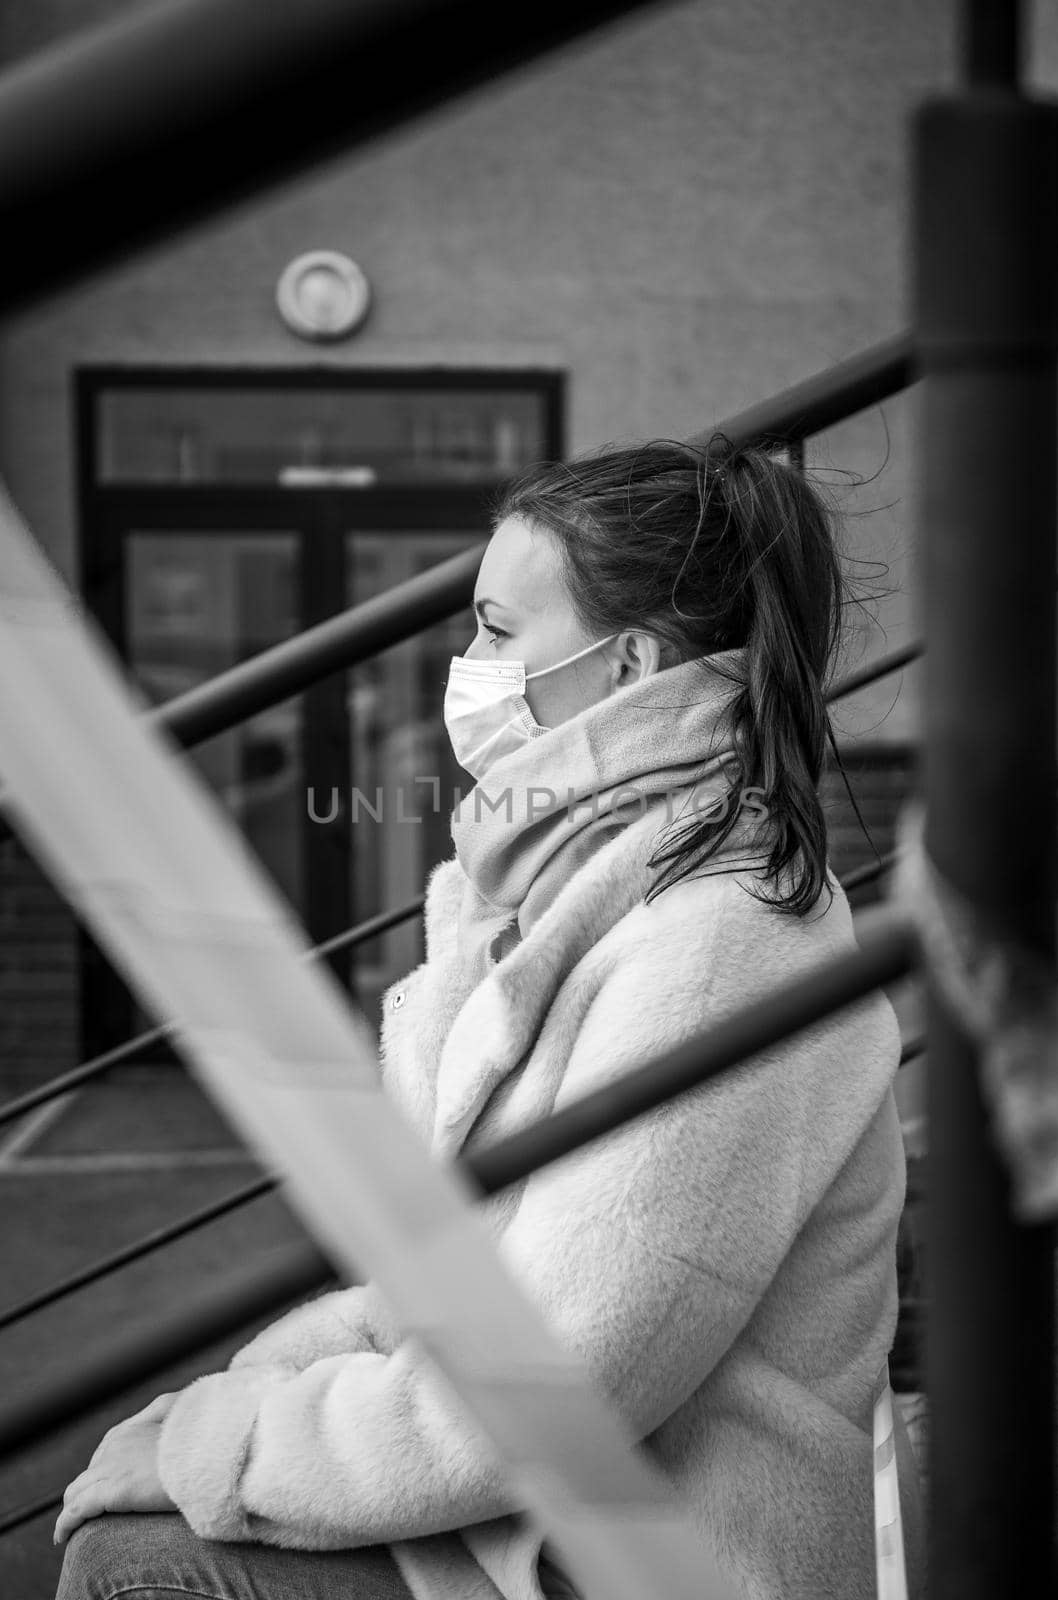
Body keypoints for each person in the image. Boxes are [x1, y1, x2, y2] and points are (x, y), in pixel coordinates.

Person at [54, 437, 926, 1600]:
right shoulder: (556, 885)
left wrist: (224, 1448)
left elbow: (559, 1386)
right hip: (543, 1520)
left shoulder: (718, 941)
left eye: (497, 633)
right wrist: (252, 1395)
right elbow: (477, 1282)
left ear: (626, 667)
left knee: (134, 1564)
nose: (460, 666)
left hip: (661, 1557)